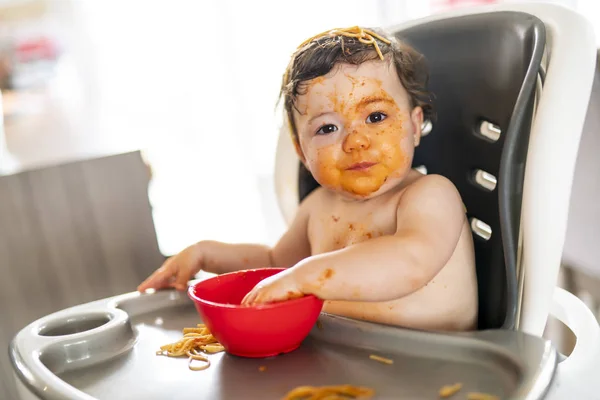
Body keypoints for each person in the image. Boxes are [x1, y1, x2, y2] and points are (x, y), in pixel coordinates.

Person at [138, 26, 478, 331]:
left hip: (442, 363)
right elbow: (276, 264)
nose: (356, 141)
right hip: (349, 360)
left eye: (376, 116)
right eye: (328, 128)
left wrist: (307, 277)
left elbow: (411, 262)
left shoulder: (429, 195)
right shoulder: (317, 207)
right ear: (302, 152)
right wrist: (206, 254)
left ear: (415, 126)